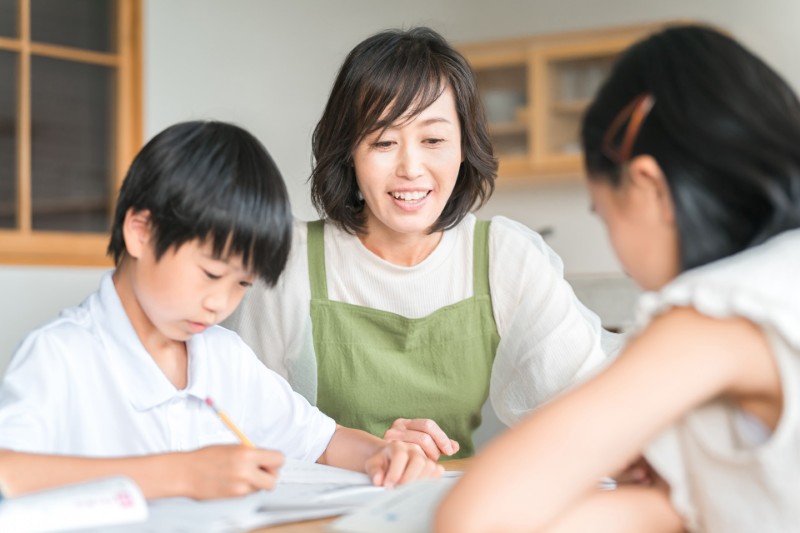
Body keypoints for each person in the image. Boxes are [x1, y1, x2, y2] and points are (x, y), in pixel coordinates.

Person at [435, 23, 800, 533]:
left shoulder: (719, 310)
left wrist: (673, 505)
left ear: (647, 186)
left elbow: (473, 518)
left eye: (603, 214)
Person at [224, 27, 619, 460]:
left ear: (465, 146)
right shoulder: (291, 260)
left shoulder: (505, 258)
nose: (410, 167)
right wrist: (363, 452)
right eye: (383, 142)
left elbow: (588, 399)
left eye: (433, 140)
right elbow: (242, 427)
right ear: (349, 153)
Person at [0, 121, 442, 500]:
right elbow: (8, 473)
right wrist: (180, 474)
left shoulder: (223, 356)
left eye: (242, 284)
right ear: (140, 232)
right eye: (211, 274)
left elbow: (324, 443)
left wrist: (383, 456)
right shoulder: (61, 355)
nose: (219, 304)